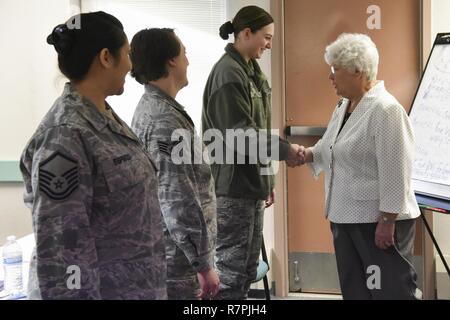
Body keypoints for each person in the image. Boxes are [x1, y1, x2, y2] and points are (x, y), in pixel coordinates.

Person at [19, 12, 167, 299]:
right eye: (127, 53)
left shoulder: (104, 117)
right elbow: (64, 249)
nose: (131, 64)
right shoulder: (64, 136)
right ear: (106, 57)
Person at [300, 33, 421, 299]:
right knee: (355, 289)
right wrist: (307, 154)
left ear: (358, 70)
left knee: (388, 291)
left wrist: (387, 220)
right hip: (344, 216)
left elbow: (396, 168)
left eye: (335, 70)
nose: (330, 77)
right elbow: (330, 144)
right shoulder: (345, 104)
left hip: (377, 222)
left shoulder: (386, 110)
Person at [202, 5, 304, 300]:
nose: (270, 45)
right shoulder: (228, 73)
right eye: (267, 37)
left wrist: (266, 180)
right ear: (246, 33)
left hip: (250, 186)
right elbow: (241, 135)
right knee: (231, 272)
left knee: (246, 269)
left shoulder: (251, 71)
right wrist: (287, 151)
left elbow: (261, 127)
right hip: (232, 188)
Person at [130, 28, 219, 300]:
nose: (188, 61)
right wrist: (202, 265)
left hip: (178, 254)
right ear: (171, 60)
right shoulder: (164, 121)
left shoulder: (162, 110)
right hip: (178, 262)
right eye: (184, 53)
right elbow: (177, 198)